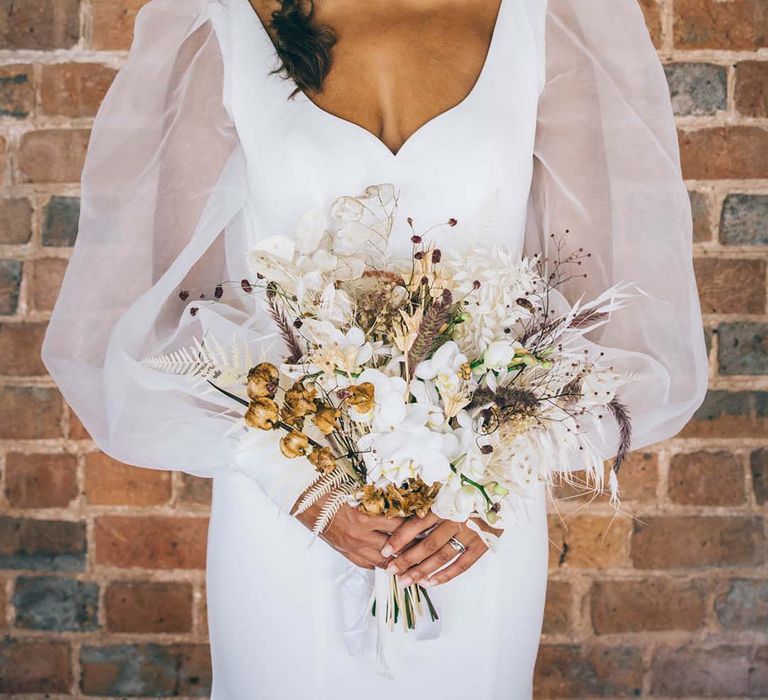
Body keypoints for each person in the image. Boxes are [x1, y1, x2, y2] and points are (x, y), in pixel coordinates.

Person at [41, 0, 709, 697]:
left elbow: (607, 295)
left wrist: (491, 484)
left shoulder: (544, 16)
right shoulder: (225, 19)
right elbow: (165, 303)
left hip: (469, 528)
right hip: (289, 507)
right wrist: (295, 484)